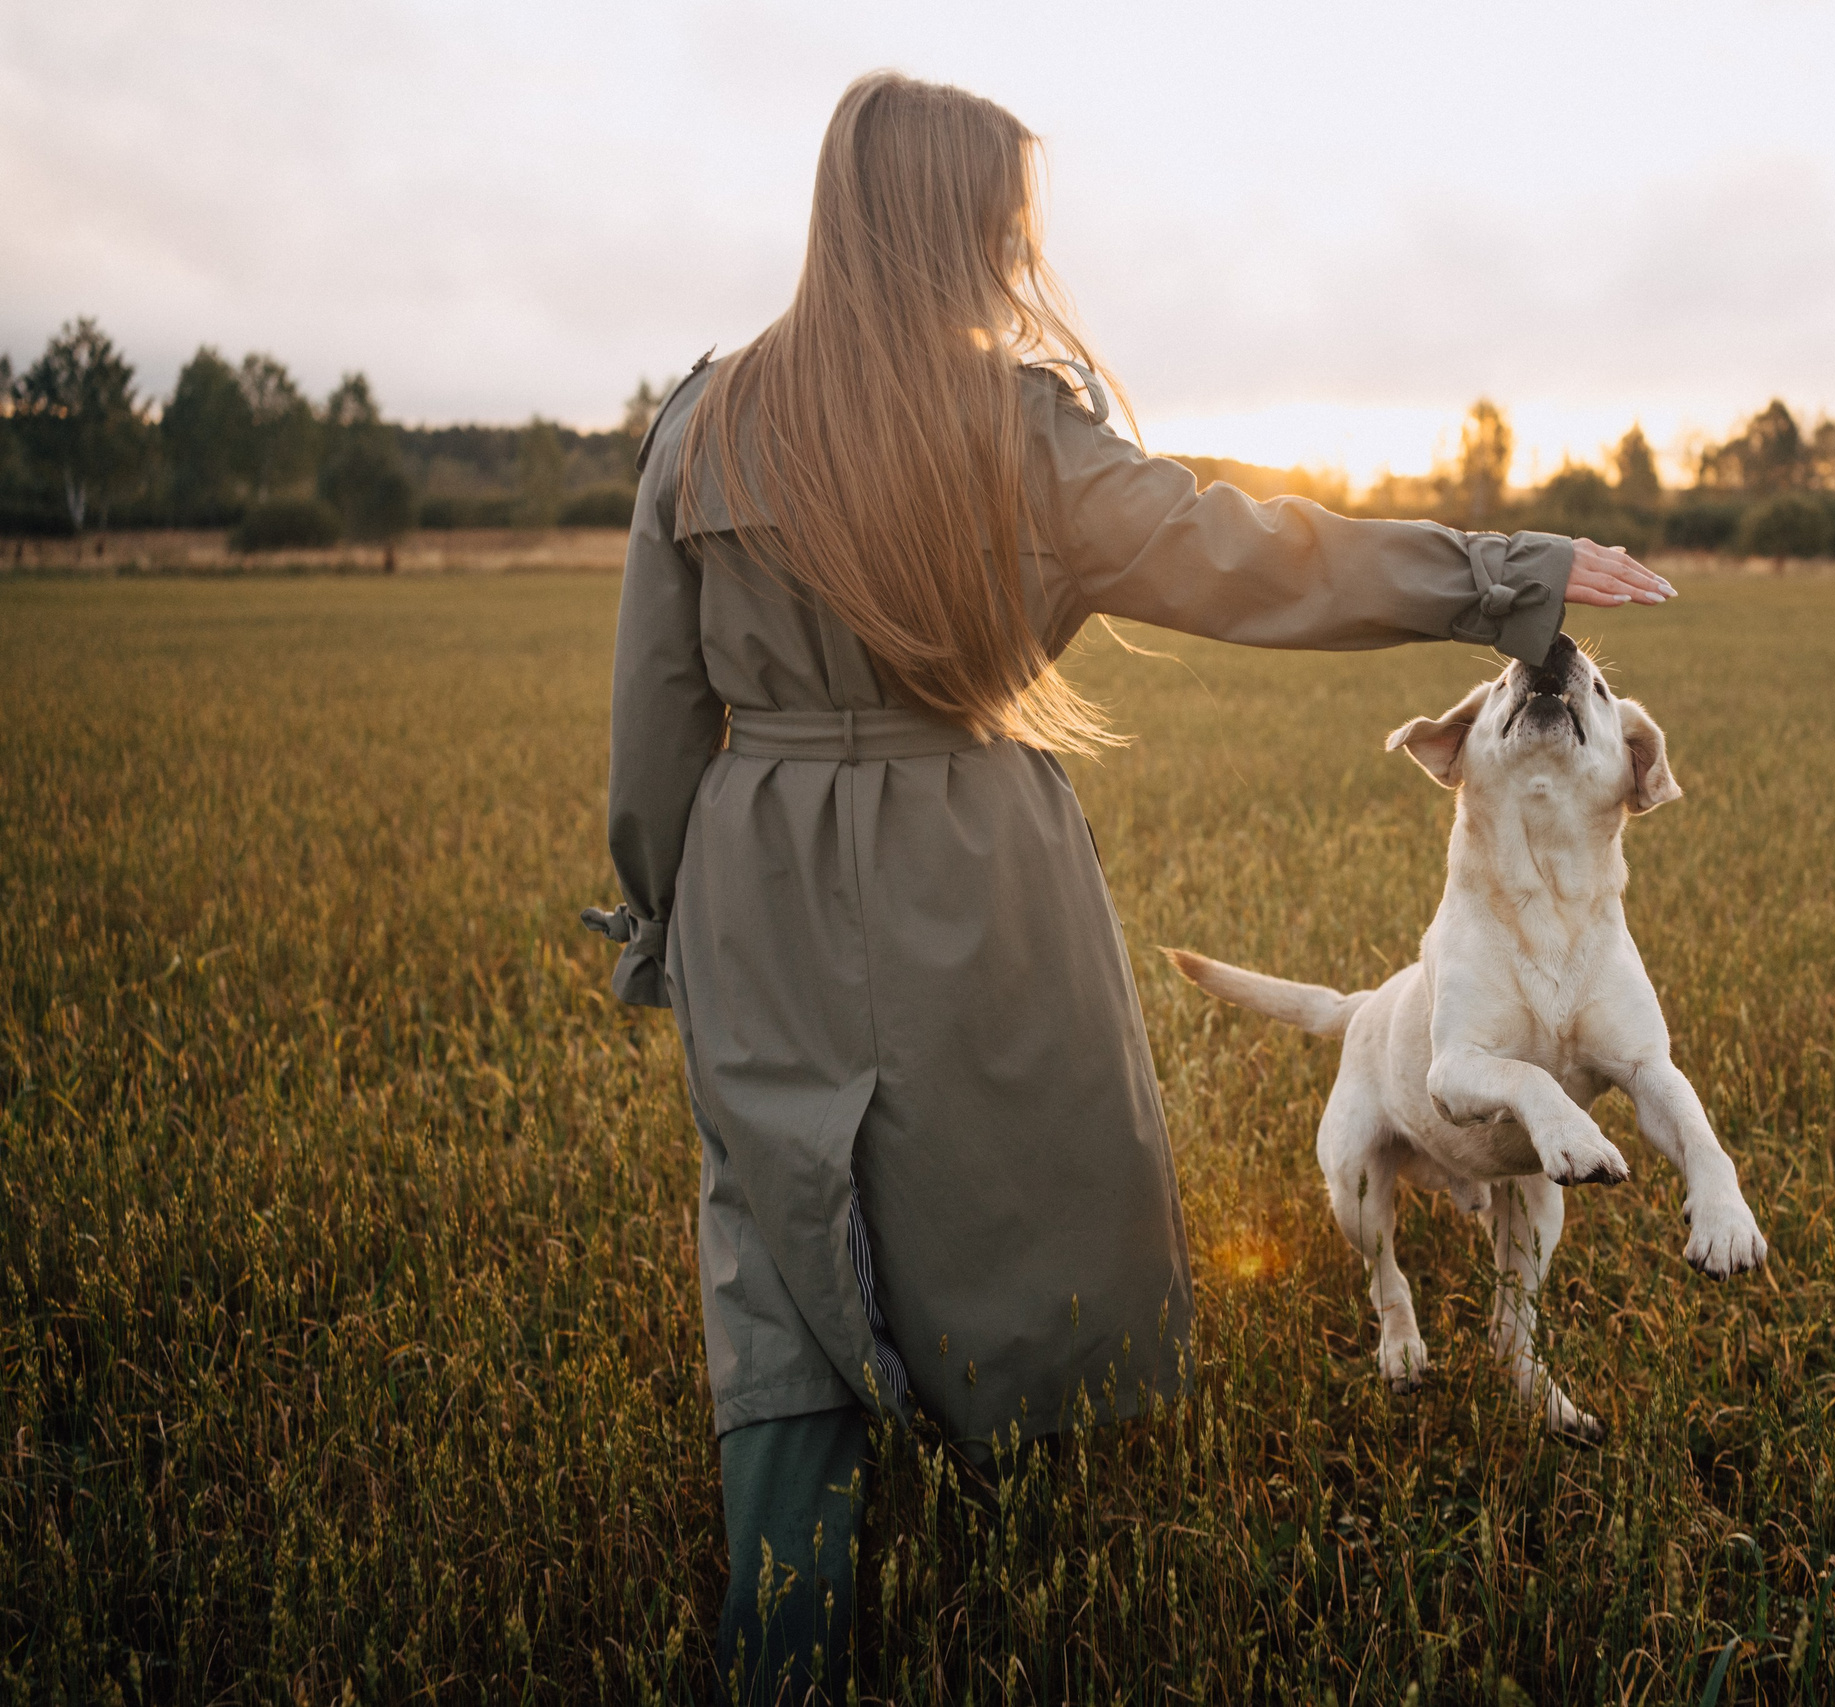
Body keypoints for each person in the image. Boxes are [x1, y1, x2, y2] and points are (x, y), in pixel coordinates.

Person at [582, 69, 1677, 1702]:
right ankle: (1023, 1522)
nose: (1028, 246)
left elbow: (655, 713)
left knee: (769, 1222)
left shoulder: (702, 419)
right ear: (961, 224)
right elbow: (1252, 555)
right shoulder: (1024, 426)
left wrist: (661, 916)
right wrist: (1500, 578)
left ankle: (786, 1639)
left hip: (763, 866)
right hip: (976, 851)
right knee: (1017, 1178)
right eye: (1010, 218)